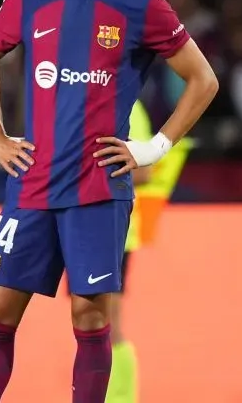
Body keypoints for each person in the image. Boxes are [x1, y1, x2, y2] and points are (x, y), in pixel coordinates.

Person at [0, 0, 219, 403]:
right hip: (31, 181)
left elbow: (203, 80)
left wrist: (155, 146)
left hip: (98, 189)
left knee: (90, 314)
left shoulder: (142, 4)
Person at [66, 99, 193, 403]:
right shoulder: (71, 96)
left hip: (113, 229)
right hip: (78, 225)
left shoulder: (128, 104)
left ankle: (121, 398)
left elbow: (144, 171)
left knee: (108, 324)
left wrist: (80, 171)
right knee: (85, 320)